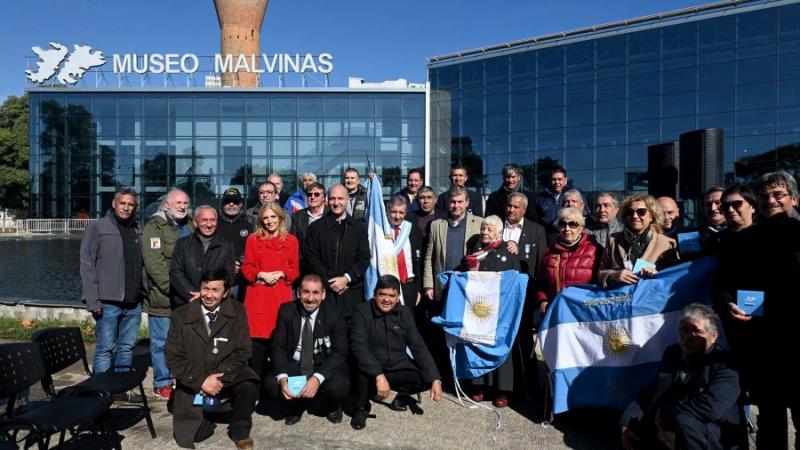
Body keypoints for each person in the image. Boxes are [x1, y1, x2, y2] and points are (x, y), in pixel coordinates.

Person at [716, 171, 800, 449]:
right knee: (771, 412)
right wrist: (729, 301)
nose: (770, 200)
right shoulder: (746, 238)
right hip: (764, 341)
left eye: (778, 195)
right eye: (764, 196)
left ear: (794, 199)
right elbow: (725, 281)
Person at [620, 304, 744, 450]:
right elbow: (656, 391)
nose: (687, 337)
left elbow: (711, 408)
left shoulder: (725, 363)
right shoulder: (673, 353)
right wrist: (628, 419)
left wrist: (667, 413)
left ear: (714, 336)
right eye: (684, 330)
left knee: (681, 420)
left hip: (715, 434)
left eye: (696, 331)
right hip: (674, 424)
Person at [165, 270, 259, 450]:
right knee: (197, 435)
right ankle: (210, 413)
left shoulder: (238, 311)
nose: (209, 295)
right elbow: (173, 357)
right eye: (205, 288)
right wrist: (201, 380)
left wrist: (217, 378)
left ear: (225, 293)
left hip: (226, 373)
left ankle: (240, 431)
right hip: (194, 377)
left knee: (249, 384)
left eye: (215, 290)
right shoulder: (180, 315)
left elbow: (243, 351)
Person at [349, 275, 443, 430]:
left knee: (426, 376)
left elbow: (418, 346)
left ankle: (394, 395)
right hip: (371, 367)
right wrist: (378, 376)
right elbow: (359, 347)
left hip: (396, 365)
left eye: (391, 296)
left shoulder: (404, 313)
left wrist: (435, 379)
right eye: (382, 294)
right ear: (375, 294)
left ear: (398, 297)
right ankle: (361, 408)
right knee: (359, 371)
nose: (387, 299)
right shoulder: (362, 311)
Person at [80, 187, 145, 401]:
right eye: (123, 203)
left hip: (133, 301)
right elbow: (87, 264)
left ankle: (121, 389)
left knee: (127, 348)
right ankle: (100, 391)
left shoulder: (137, 230)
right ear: (114, 204)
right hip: (108, 301)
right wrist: (92, 300)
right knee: (105, 349)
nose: (127, 208)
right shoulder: (98, 227)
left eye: (131, 205)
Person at [265, 274, 349, 426]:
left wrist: (317, 378)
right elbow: (278, 346)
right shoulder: (286, 311)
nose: (310, 298)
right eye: (306, 292)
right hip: (295, 363)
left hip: (321, 363)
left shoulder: (334, 313)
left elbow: (340, 351)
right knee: (272, 384)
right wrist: (283, 379)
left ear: (323, 294)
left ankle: (332, 405)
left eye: (316, 292)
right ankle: (295, 405)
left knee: (339, 386)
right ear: (298, 293)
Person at [460, 215, 520, 407]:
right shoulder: (475, 251)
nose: (484, 232)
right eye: (483, 228)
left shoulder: (508, 253)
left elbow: (515, 282)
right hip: (477, 311)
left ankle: (501, 390)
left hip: (500, 312)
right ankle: (478, 386)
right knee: (477, 346)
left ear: (499, 233)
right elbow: (465, 271)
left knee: (499, 348)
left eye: (489, 229)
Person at [143, 187, 194, 401]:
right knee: (161, 341)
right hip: (163, 297)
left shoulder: (189, 225)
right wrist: (174, 289)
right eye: (178, 203)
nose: (182, 206)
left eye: (185, 203)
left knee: (183, 340)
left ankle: (178, 376)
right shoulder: (154, 227)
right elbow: (155, 265)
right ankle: (162, 382)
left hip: (187, 297)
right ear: (167, 204)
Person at [241, 202, 299, 387]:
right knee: (257, 347)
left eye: (273, 217)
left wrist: (282, 273)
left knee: (280, 343)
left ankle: (277, 387)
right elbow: (247, 267)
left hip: (280, 295)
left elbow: (294, 269)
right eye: (265, 218)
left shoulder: (291, 240)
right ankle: (254, 389)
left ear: (280, 218)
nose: (269, 221)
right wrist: (260, 274)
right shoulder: (253, 239)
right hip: (258, 295)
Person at [304, 184, 371, 317]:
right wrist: (331, 282)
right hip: (325, 294)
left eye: (340, 198)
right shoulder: (316, 228)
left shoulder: (358, 228)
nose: (336, 203)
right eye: (333, 199)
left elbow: (364, 258)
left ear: (348, 200)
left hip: (351, 293)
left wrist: (346, 278)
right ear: (327, 201)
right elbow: (311, 258)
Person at [598, 195, 679, 287]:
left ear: (651, 216)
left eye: (641, 212)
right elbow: (600, 274)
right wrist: (614, 275)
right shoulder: (613, 240)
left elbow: (674, 277)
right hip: (620, 297)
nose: (635, 216)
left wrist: (657, 274)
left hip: (649, 297)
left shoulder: (667, 243)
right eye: (630, 212)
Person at [537, 207, 601, 313]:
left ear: (581, 227)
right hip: (555, 309)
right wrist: (542, 301)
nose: (567, 229)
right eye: (563, 224)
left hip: (584, 310)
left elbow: (600, 282)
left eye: (573, 224)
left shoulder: (595, 250)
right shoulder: (549, 251)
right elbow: (540, 281)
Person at [170, 206, 236, 309]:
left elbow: (229, 275)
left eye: (212, 220)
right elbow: (176, 271)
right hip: (186, 302)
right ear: (195, 223)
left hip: (215, 304)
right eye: (204, 220)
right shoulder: (182, 244)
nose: (209, 224)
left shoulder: (226, 245)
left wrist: (209, 294)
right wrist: (193, 294)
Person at [386, 196, 424, 318]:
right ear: (388, 211)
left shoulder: (413, 230)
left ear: (406, 213)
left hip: (408, 285)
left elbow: (418, 262)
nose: (397, 216)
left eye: (401, 212)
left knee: (407, 323)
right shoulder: (381, 230)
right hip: (388, 286)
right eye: (394, 212)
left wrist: (418, 289)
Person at [216, 188, 253, 301]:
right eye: (228, 201)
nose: (231, 204)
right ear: (222, 203)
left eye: (235, 202)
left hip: (243, 280)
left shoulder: (250, 223)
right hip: (219, 278)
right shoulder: (214, 222)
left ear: (241, 204)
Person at [290, 181, 327, 272]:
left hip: (327, 267)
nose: (312, 197)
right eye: (309, 194)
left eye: (317, 194)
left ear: (324, 198)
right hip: (304, 267)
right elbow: (294, 244)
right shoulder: (297, 216)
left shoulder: (331, 215)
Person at [535, 167, 582, 232]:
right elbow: (536, 221)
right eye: (553, 179)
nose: (557, 182)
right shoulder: (541, 198)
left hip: (570, 234)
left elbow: (585, 214)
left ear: (565, 180)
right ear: (550, 181)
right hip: (548, 236)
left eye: (560, 179)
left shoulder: (574, 195)